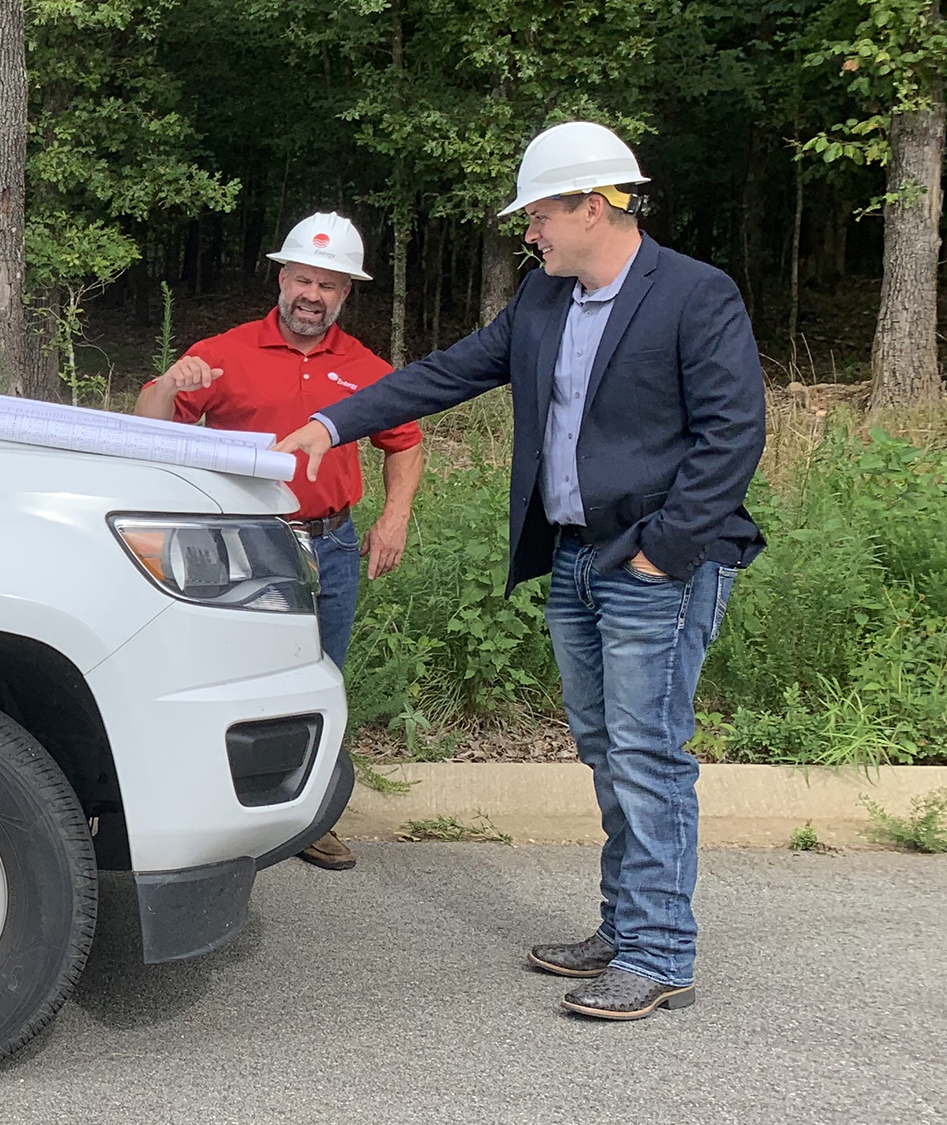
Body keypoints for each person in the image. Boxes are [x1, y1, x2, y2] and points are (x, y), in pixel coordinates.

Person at [276, 122, 766, 1020]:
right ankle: (625, 929)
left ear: (593, 206)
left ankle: (660, 953)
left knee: (649, 755)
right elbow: (447, 373)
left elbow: (732, 437)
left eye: (539, 214)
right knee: (608, 748)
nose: (530, 233)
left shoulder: (695, 294)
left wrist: (666, 551)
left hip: (652, 563)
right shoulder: (543, 301)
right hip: (575, 558)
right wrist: (334, 423)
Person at [137, 211, 424, 873]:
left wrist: (396, 516)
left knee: (321, 675)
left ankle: (310, 818)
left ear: (345, 294)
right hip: (241, 547)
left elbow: (405, 444)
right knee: (228, 678)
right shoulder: (227, 352)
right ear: (282, 277)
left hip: (331, 546)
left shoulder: (366, 368)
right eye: (303, 278)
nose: (312, 295)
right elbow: (150, 424)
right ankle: (221, 817)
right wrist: (169, 384)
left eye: (328, 285)